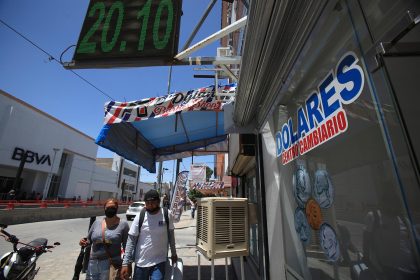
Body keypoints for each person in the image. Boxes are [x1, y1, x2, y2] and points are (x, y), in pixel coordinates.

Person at [121, 190, 177, 280]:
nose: (150, 205)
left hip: (160, 261)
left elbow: (171, 236)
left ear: (158, 202)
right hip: (141, 262)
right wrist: (125, 263)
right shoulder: (140, 216)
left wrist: (174, 253)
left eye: (153, 202)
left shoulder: (167, 214)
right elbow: (131, 240)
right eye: (147, 203)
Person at [79, 198, 129, 280]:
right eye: (108, 208)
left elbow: (127, 246)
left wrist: (126, 264)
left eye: (113, 207)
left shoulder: (123, 225)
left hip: (110, 264)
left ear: (117, 208)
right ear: (104, 208)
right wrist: (83, 242)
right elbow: (89, 240)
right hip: (93, 263)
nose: (110, 209)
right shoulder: (97, 223)